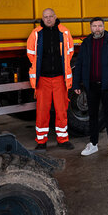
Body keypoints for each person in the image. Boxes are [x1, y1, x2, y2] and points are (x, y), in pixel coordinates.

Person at [73, 17, 108, 157]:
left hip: (107, 85)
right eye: (95, 26)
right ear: (90, 28)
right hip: (91, 86)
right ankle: (93, 144)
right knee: (93, 115)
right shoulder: (86, 43)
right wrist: (76, 83)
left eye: (100, 26)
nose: (97, 29)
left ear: (104, 27)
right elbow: (79, 64)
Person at [26, 8, 75, 150]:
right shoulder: (36, 33)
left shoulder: (64, 32)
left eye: (50, 16)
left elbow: (70, 52)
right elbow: (30, 54)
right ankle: (41, 141)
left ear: (55, 16)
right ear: (42, 18)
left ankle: (63, 140)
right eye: (45, 17)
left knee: (61, 110)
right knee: (42, 111)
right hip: (43, 79)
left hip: (60, 78)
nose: (48, 19)